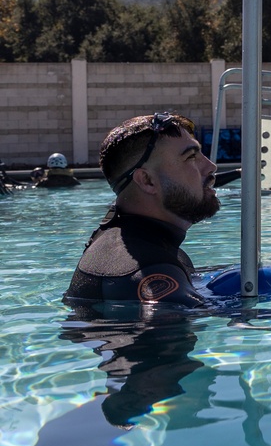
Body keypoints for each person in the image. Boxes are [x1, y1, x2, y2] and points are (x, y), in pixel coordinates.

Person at [64, 112, 220, 305]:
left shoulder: (149, 252)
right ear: (147, 180)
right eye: (190, 157)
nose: (211, 166)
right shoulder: (148, 269)